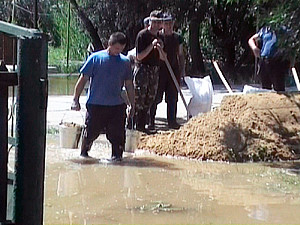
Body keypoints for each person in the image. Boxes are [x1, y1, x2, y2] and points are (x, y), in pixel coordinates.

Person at [71, 32, 135, 161]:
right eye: (117, 48)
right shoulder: (96, 58)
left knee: (117, 137)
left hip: (116, 106)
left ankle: (117, 159)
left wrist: (132, 105)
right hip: (96, 104)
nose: (119, 52)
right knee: (90, 133)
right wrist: (75, 100)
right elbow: (83, 79)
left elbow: (129, 85)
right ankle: (84, 155)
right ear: (109, 45)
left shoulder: (125, 62)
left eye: (121, 49)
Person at [149, 13, 185, 129]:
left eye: (170, 23)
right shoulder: (157, 36)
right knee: (156, 97)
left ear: (173, 23)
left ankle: (172, 121)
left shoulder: (177, 38)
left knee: (172, 97)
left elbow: (180, 54)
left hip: (173, 70)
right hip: (159, 70)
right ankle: (151, 122)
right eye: (166, 23)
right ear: (162, 24)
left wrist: (182, 70)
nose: (168, 25)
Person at [131, 10, 165, 133]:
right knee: (139, 98)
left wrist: (160, 48)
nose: (156, 25)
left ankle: (142, 126)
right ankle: (133, 126)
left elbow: (163, 58)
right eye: (154, 22)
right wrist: (151, 46)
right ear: (150, 21)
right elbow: (139, 56)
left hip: (154, 70)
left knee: (150, 98)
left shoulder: (161, 36)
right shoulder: (142, 35)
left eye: (159, 22)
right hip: (143, 69)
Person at [248, 26, 290, 91]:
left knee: (279, 88)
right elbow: (251, 39)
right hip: (264, 60)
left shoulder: (283, 29)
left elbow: (291, 41)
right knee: (265, 88)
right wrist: (254, 48)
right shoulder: (264, 30)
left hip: (277, 61)